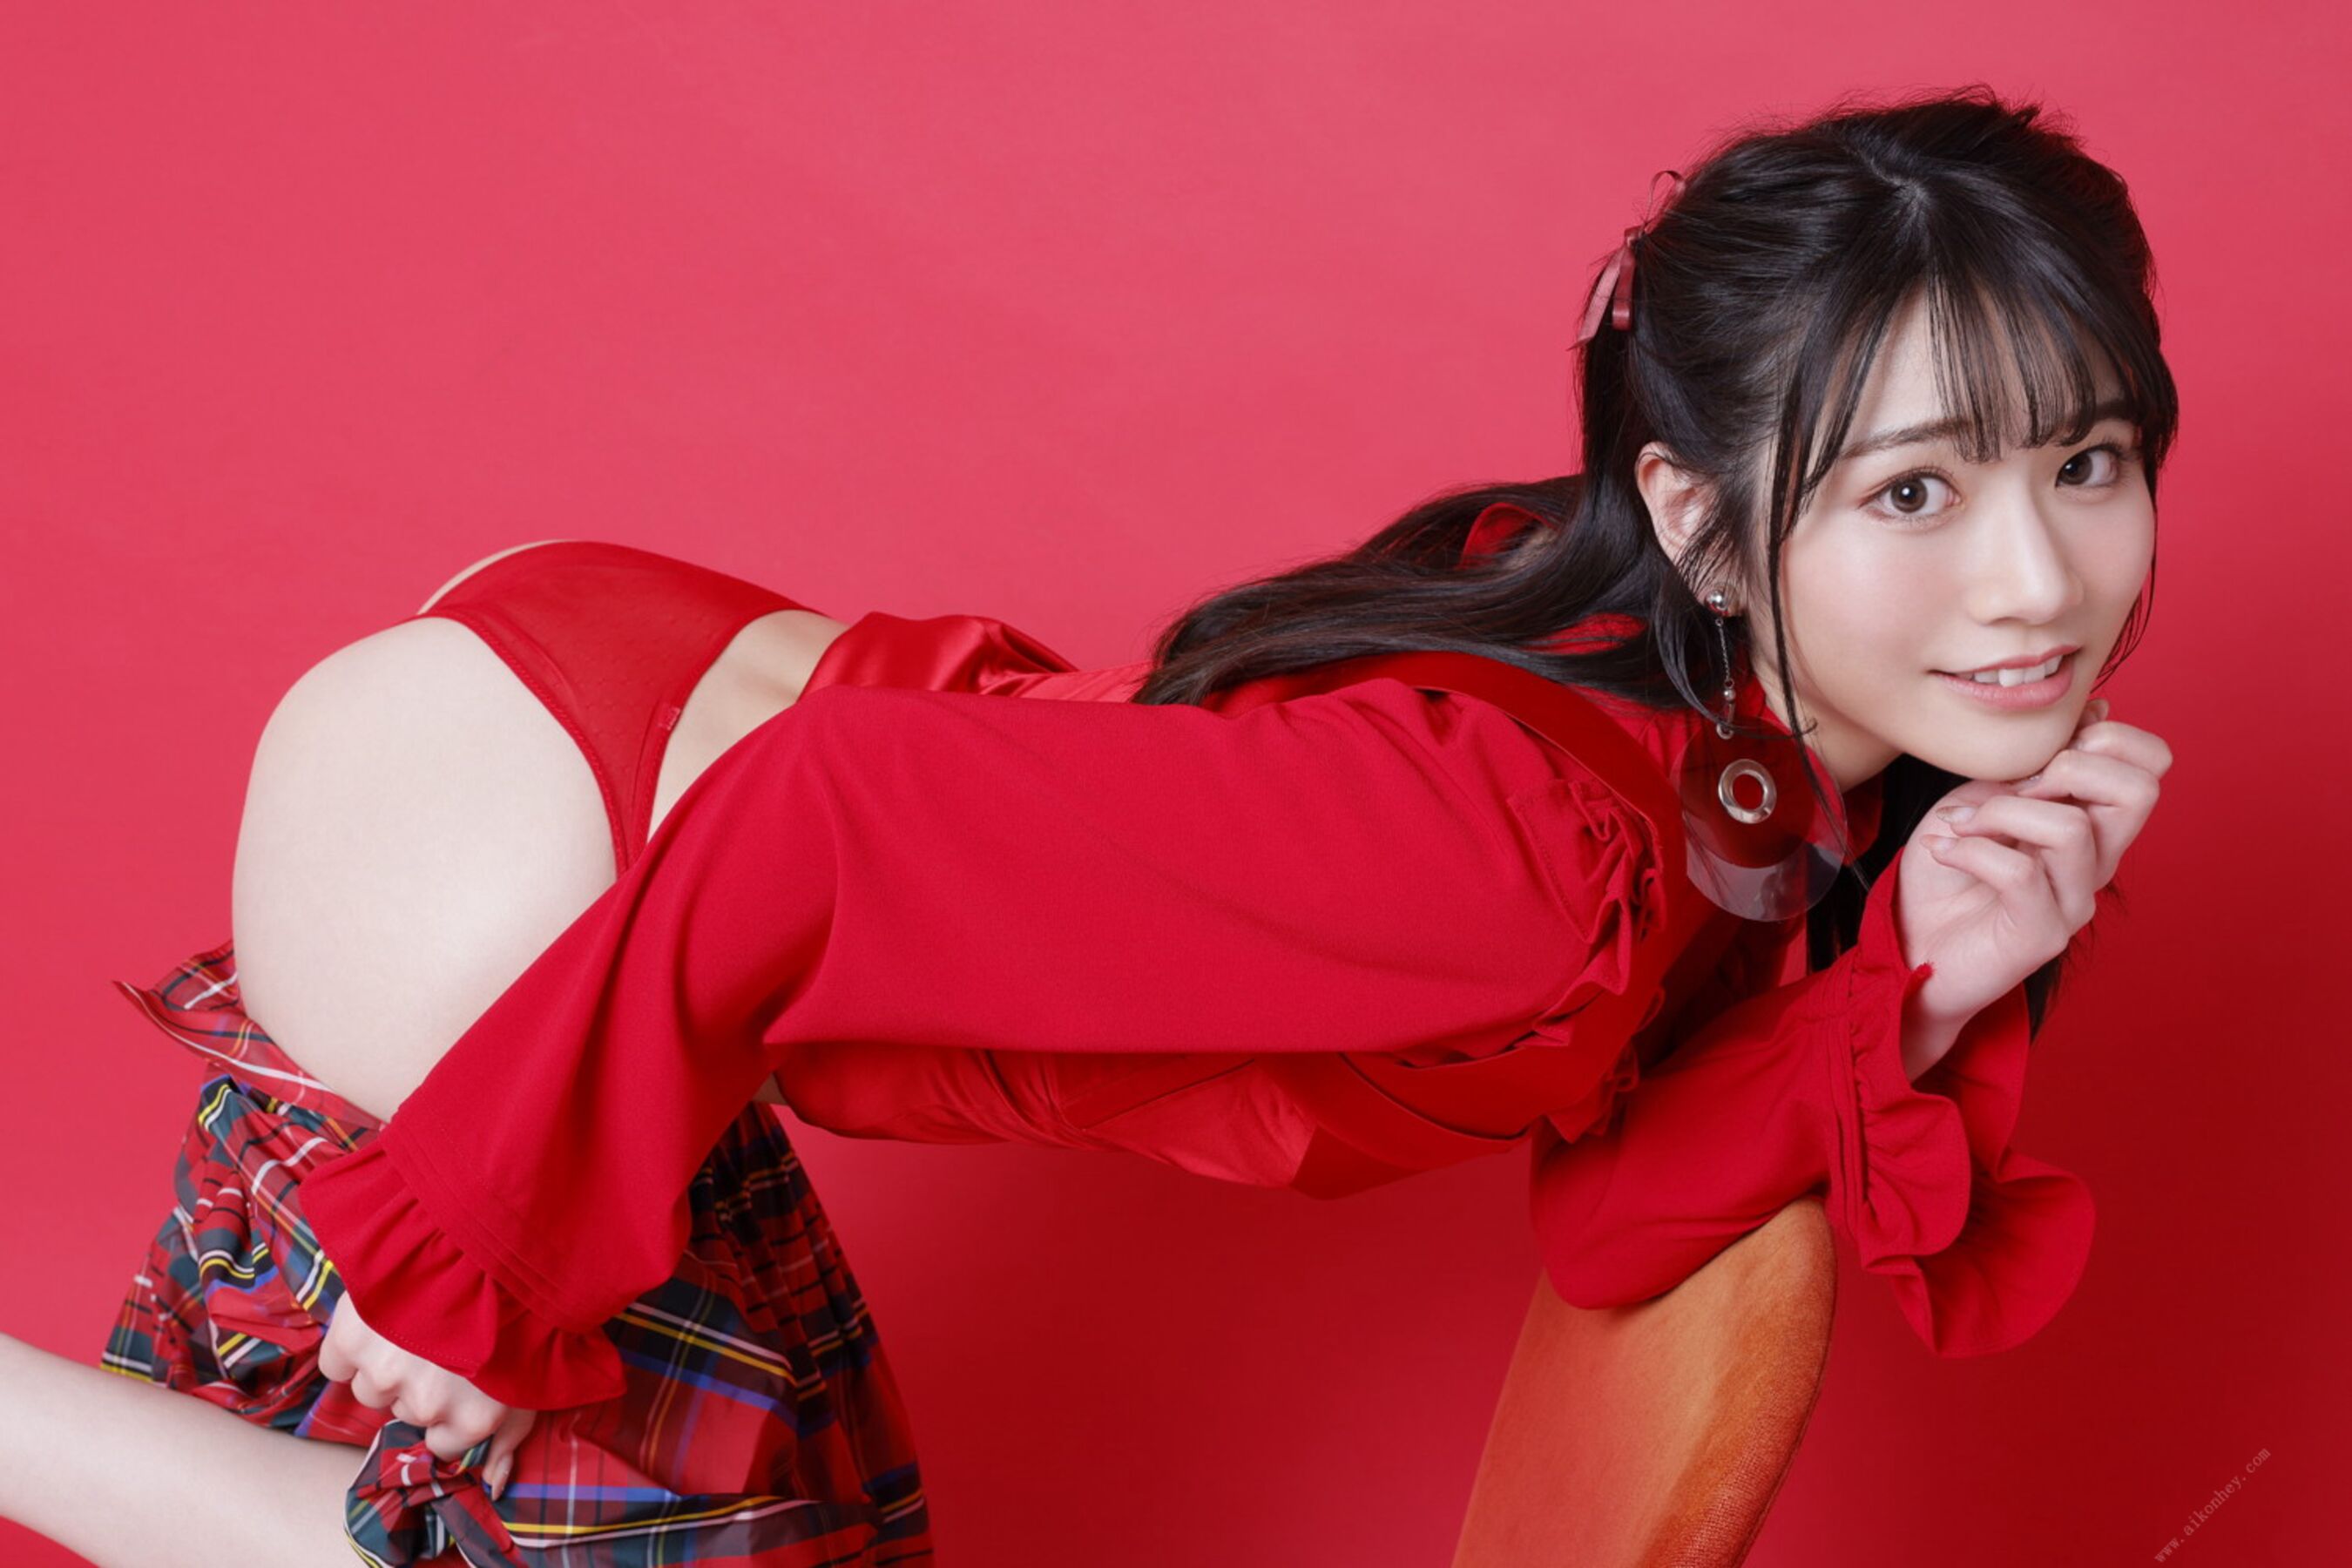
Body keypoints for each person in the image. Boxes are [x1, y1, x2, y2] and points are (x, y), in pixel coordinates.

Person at [4, 84, 2166, 1568]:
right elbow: (818, 812)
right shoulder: (1521, 851)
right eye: (1916, 489)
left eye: (2084, 462)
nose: (2035, 582)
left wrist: (1916, 982)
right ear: (1695, 515)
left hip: (640, 837)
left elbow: (1616, 1233)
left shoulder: (1742, 774)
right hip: (546, 828)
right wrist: (487, 1251)